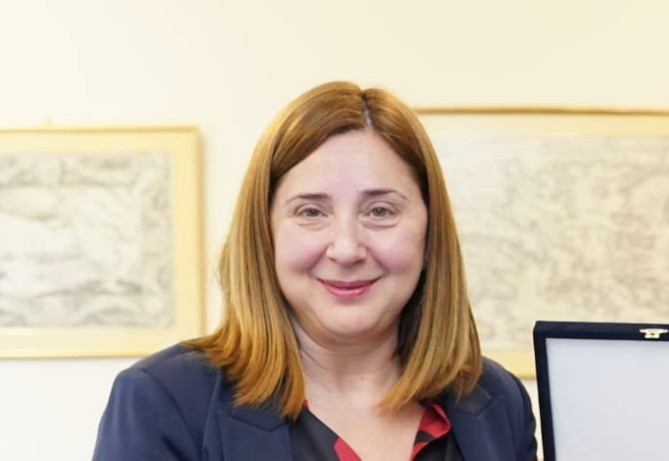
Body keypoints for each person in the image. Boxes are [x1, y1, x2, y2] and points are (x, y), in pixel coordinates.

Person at [92, 81, 537, 461]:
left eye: (380, 211)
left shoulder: (497, 400)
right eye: (310, 212)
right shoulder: (165, 401)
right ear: (264, 233)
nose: (346, 248)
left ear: (430, 231)